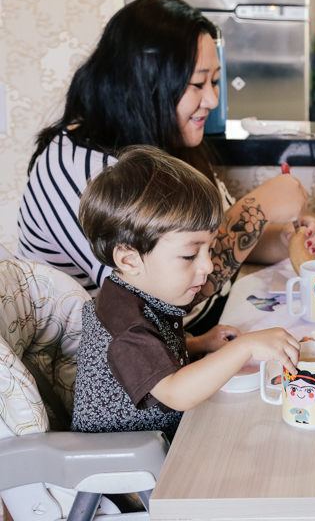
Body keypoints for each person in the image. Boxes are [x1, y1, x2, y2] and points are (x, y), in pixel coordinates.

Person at [16, 0, 315, 334]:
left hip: (198, 336)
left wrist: (281, 238)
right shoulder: (84, 171)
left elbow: (208, 250)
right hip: (124, 361)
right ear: (145, 84)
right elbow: (151, 308)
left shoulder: (159, 140)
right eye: (198, 84)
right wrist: (256, 208)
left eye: (215, 81)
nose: (212, 99)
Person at [71, 147, 300, 441]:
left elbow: (152, 350)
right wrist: (245, 347)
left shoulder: (131, 293)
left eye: (210, 249)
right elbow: (176, 392)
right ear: (129, 259)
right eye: (190, 255)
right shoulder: (123, 325)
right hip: (130, 460)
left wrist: (200, 342)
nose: (208, 266)